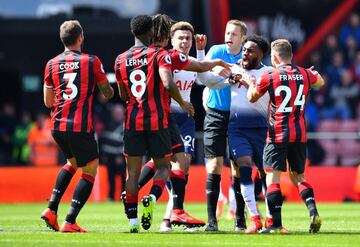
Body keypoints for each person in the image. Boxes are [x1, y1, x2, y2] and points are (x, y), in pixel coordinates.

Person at [135, 15, 230, 232]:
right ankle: (160, 206)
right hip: (167, 117)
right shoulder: (166, 59)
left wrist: (202, 51)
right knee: (166, 163)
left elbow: (204, 77)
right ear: (171, 39)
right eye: (180, 38)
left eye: (188, 38)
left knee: (181, 166)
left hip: (185, 120)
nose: (185, 42)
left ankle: (168, 216)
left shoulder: (189, 62)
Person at [114, 14, 194, 233]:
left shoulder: (120, 59)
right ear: (151, 33)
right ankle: (151, 196)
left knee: (132, 174)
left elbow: (122, 94)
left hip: (132, 120)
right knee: (164, 167)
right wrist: (183, 103)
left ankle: (132, 222)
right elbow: (168, 83)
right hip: (157, 120)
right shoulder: (159, 54)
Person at [243, 38, 324, 234]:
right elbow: (320, 82)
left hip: (277, 133)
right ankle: (313, 211)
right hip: (299, 135)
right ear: (291, 56)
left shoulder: (270, 75)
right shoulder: (305, 74)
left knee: (272, 178)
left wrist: (250, 83)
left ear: (274, 57)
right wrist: (314, 74)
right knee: (299, 177)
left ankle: (276, 225)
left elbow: (252, 98)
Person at [40, 20, 114, 233]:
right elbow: (107, 93)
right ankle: (70, 220)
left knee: (72, 163)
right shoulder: (91, 61)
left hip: (57, 125)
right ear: (81, 37)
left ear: (62, 39)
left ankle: (52, 208)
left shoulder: (51, 64)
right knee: (90, 169)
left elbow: (48, 101)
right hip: (79, 126)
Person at [201, 19, 247, 232]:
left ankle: (240, 219)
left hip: (239, 117)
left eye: (234, 34)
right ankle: (212, 221)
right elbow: (204, 79)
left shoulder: (249, 55)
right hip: (215, 114)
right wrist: (217, 75)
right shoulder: (216, 51)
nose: (229, 37)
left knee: (238, 168)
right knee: (214, 166)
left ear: (243, 38)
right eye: (227, 33)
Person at [98, 104, 126, 201]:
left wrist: (120, 155)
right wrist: (104, 155)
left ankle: (124, 197)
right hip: (109, 156)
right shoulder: (108, 124)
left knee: (124, 178)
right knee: (110, 178)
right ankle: (111, 197)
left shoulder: (124, 126)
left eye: (119, 113)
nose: (117, 115)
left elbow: (125, 142)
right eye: (115, 113)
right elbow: (104, 141)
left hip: (121, 157)